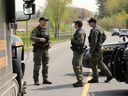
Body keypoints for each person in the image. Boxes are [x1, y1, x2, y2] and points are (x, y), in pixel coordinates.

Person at [87, 18, 113, 83]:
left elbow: (93, 43)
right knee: (100, 63)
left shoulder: (94, 31)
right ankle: (109, 75)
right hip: (100, 48)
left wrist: (91, 52)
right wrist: (100, 43)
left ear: (93, 23)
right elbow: (105, 37)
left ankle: (95, 79)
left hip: (95, 50)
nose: (89, 24)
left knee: (93, 64)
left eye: (89, 22)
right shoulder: (100, 29)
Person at [30, 17, 52, 85]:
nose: (45, 22)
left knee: (46, 65)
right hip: (38, 50)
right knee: (37, 65)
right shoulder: (35, 30)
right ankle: (36, 80)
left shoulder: (46, 30)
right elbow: (32, 38)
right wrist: (40, 39)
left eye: (46, 21)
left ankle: (45, 79)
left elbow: (48, 38)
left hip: (45, 50)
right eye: (44, 21)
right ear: (40, 21)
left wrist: (50, 43)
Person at [71, 20, 86, 87]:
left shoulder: (80, 32)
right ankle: (80, 80)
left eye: (75, 24)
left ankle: (80, 81)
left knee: (76, 65)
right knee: (79, 65)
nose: (74, 25)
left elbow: (80, 42)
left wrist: (72, 39)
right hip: (78, 51)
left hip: (78, 51)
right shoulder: (80, 31)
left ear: (77, 25)